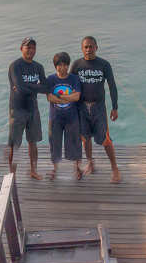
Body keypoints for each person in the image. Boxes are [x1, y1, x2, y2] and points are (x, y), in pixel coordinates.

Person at [69, 36, 121, 183]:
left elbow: (112, 85)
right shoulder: (77, 65)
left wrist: (115, 107)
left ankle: (115, 169)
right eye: (85, 47)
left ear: (96, 48)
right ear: (82, 49)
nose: (88, 50)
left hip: (98, 107)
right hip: (81, 107)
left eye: (91, 46)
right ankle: (90, 162)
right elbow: (70, 85)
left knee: (105, 140)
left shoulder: (104, 65)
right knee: (85, 138)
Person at [7, 37, 47, 180]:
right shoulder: (15, 66)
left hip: (32, 109)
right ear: (21, 48)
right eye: (27, 47)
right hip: (17, 109)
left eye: (33, 48)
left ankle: (33, 170)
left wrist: (27, 87)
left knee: (33, 142)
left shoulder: (38, 67)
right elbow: (21, 89)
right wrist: (35, 87)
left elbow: (45, 87)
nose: (30, 50)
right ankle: (12, 173)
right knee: (14, 143)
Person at [44, 52, 83, 180]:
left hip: (72, 117)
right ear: (55, 66)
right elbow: (50, 97)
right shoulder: (50, 79)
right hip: (55, 118)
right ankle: (54, 169)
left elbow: (76, 96)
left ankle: (77, 168)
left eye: (65, 65)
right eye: (59, 65)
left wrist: (60, 97)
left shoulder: (74, 78)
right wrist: (67, 98)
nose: (63, 68)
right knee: (54, 143)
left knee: (75, 142)